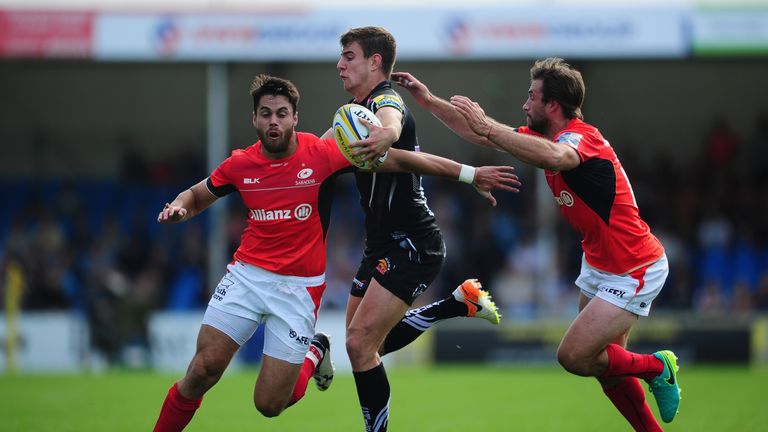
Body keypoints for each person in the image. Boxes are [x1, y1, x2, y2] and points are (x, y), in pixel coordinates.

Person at [152, 74, 521, 431]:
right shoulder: (240, 163)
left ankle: (315, 352)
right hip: (246, 276)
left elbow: (403, 159)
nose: (274, 121)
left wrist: (471, 174)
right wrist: (180, 207)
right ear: (254, 119)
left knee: (269, 405)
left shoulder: (324, 153)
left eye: (282, 113)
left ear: (295, 117)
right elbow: (198, 194)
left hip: (298, 289)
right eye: (266, 113)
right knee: (201, 370)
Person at [392, 58, 681, 431]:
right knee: (608, 365)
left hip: (635, 266)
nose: (525, 105)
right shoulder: (545, 140)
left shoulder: (579, 138)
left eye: (532, 97)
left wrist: (490, 128)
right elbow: (481, 134)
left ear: (553, 106)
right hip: (599, 264)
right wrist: (428, 99)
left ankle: (659, 366)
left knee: (575, 356)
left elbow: (558, 158)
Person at [326, 26, 510, 432]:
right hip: (379, 245)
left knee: (359, 344)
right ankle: (457, 304)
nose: (340, 65)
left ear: (375, 62)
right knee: (365, 345)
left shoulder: (384, 100)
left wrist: (387, 135)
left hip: (413, 243)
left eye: (349, 56)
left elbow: (392, 120)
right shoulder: (353, 113)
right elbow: (318, 153)